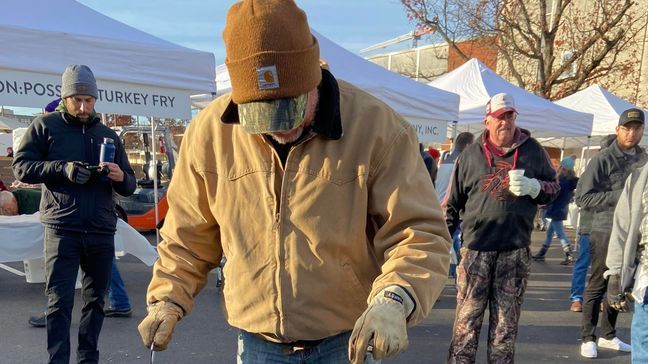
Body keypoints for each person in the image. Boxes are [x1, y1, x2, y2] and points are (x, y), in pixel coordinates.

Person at [137, 1, 452, 363]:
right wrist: (167, 298)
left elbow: (418, 232)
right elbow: (187, 235)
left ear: (312, 76)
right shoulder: (211, 134)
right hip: (257, 341)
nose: (281, 127)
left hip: (345, 338)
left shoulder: (379, 129)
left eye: (290, 108)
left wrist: (396, 298)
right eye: (262, 114)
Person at [12, 64, 136, 364]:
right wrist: (62, 168)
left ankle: (88, 358)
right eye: (76, 99)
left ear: (95, 99)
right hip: (62, 228)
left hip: (100, 229)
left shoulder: (108, 134)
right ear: (65, 97)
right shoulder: (45, 126)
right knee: (59, 302)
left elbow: (130, 185)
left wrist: (120, 176)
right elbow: (21, 166)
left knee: (95, 302)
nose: (82, 107)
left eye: (88, 100)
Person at [445, 92, 559, 363]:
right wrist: (443, 242)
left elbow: (553, 188)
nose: (505, 122)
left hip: (514, 252)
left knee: (504, 330)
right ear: (487, 121)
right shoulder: (470, 156)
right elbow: (452, 205)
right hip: (476, 252)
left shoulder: (533, 150)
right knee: (465, 327)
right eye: (499, 117)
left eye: (510, 116)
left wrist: (535, 187)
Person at [575, 108, 647, 358]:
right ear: (618, 130)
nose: (632, 133)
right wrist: (625, 198)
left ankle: (609, 334)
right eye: (627, 128)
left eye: (637, 128)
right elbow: (583, 197)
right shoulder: (603, 159)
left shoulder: (643, 160)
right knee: (598, 282)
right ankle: (588, 336)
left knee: (622, 283)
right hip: (604, 229)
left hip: (633, 233)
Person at [606, 157, 648, 363]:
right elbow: (621, 229)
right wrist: (614, 274)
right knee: (643, 347)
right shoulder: (639, 177)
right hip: (647, 277)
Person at [568, 134, 616, 313]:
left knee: (606, 266)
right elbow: (581, 199)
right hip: (590, 226)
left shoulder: (620, 171)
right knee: (583, 263)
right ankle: (577, 298)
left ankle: (601, 298)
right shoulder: (593, 169)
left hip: (612, 228)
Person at [532, 157, 579, 265]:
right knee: (549, 233)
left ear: (563, 168)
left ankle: (569, 255)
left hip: (555, 209)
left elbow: (554, 195)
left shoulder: (562, 181)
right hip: (561, 209)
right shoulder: (571, 181)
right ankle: (542, 253)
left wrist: (546, 203)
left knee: (560, 233)